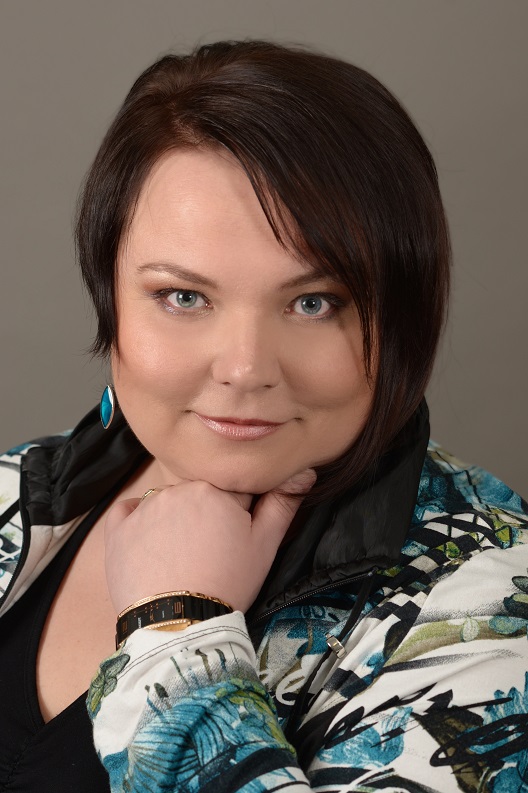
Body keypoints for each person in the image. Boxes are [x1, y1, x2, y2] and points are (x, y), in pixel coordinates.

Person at [0, 40, 527, 793]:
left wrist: (177, 625)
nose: (245, 368)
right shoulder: (16, 492)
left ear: (403, 318)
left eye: (313, 303)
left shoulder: (489, 607)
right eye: (183, 296)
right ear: (109, 299)